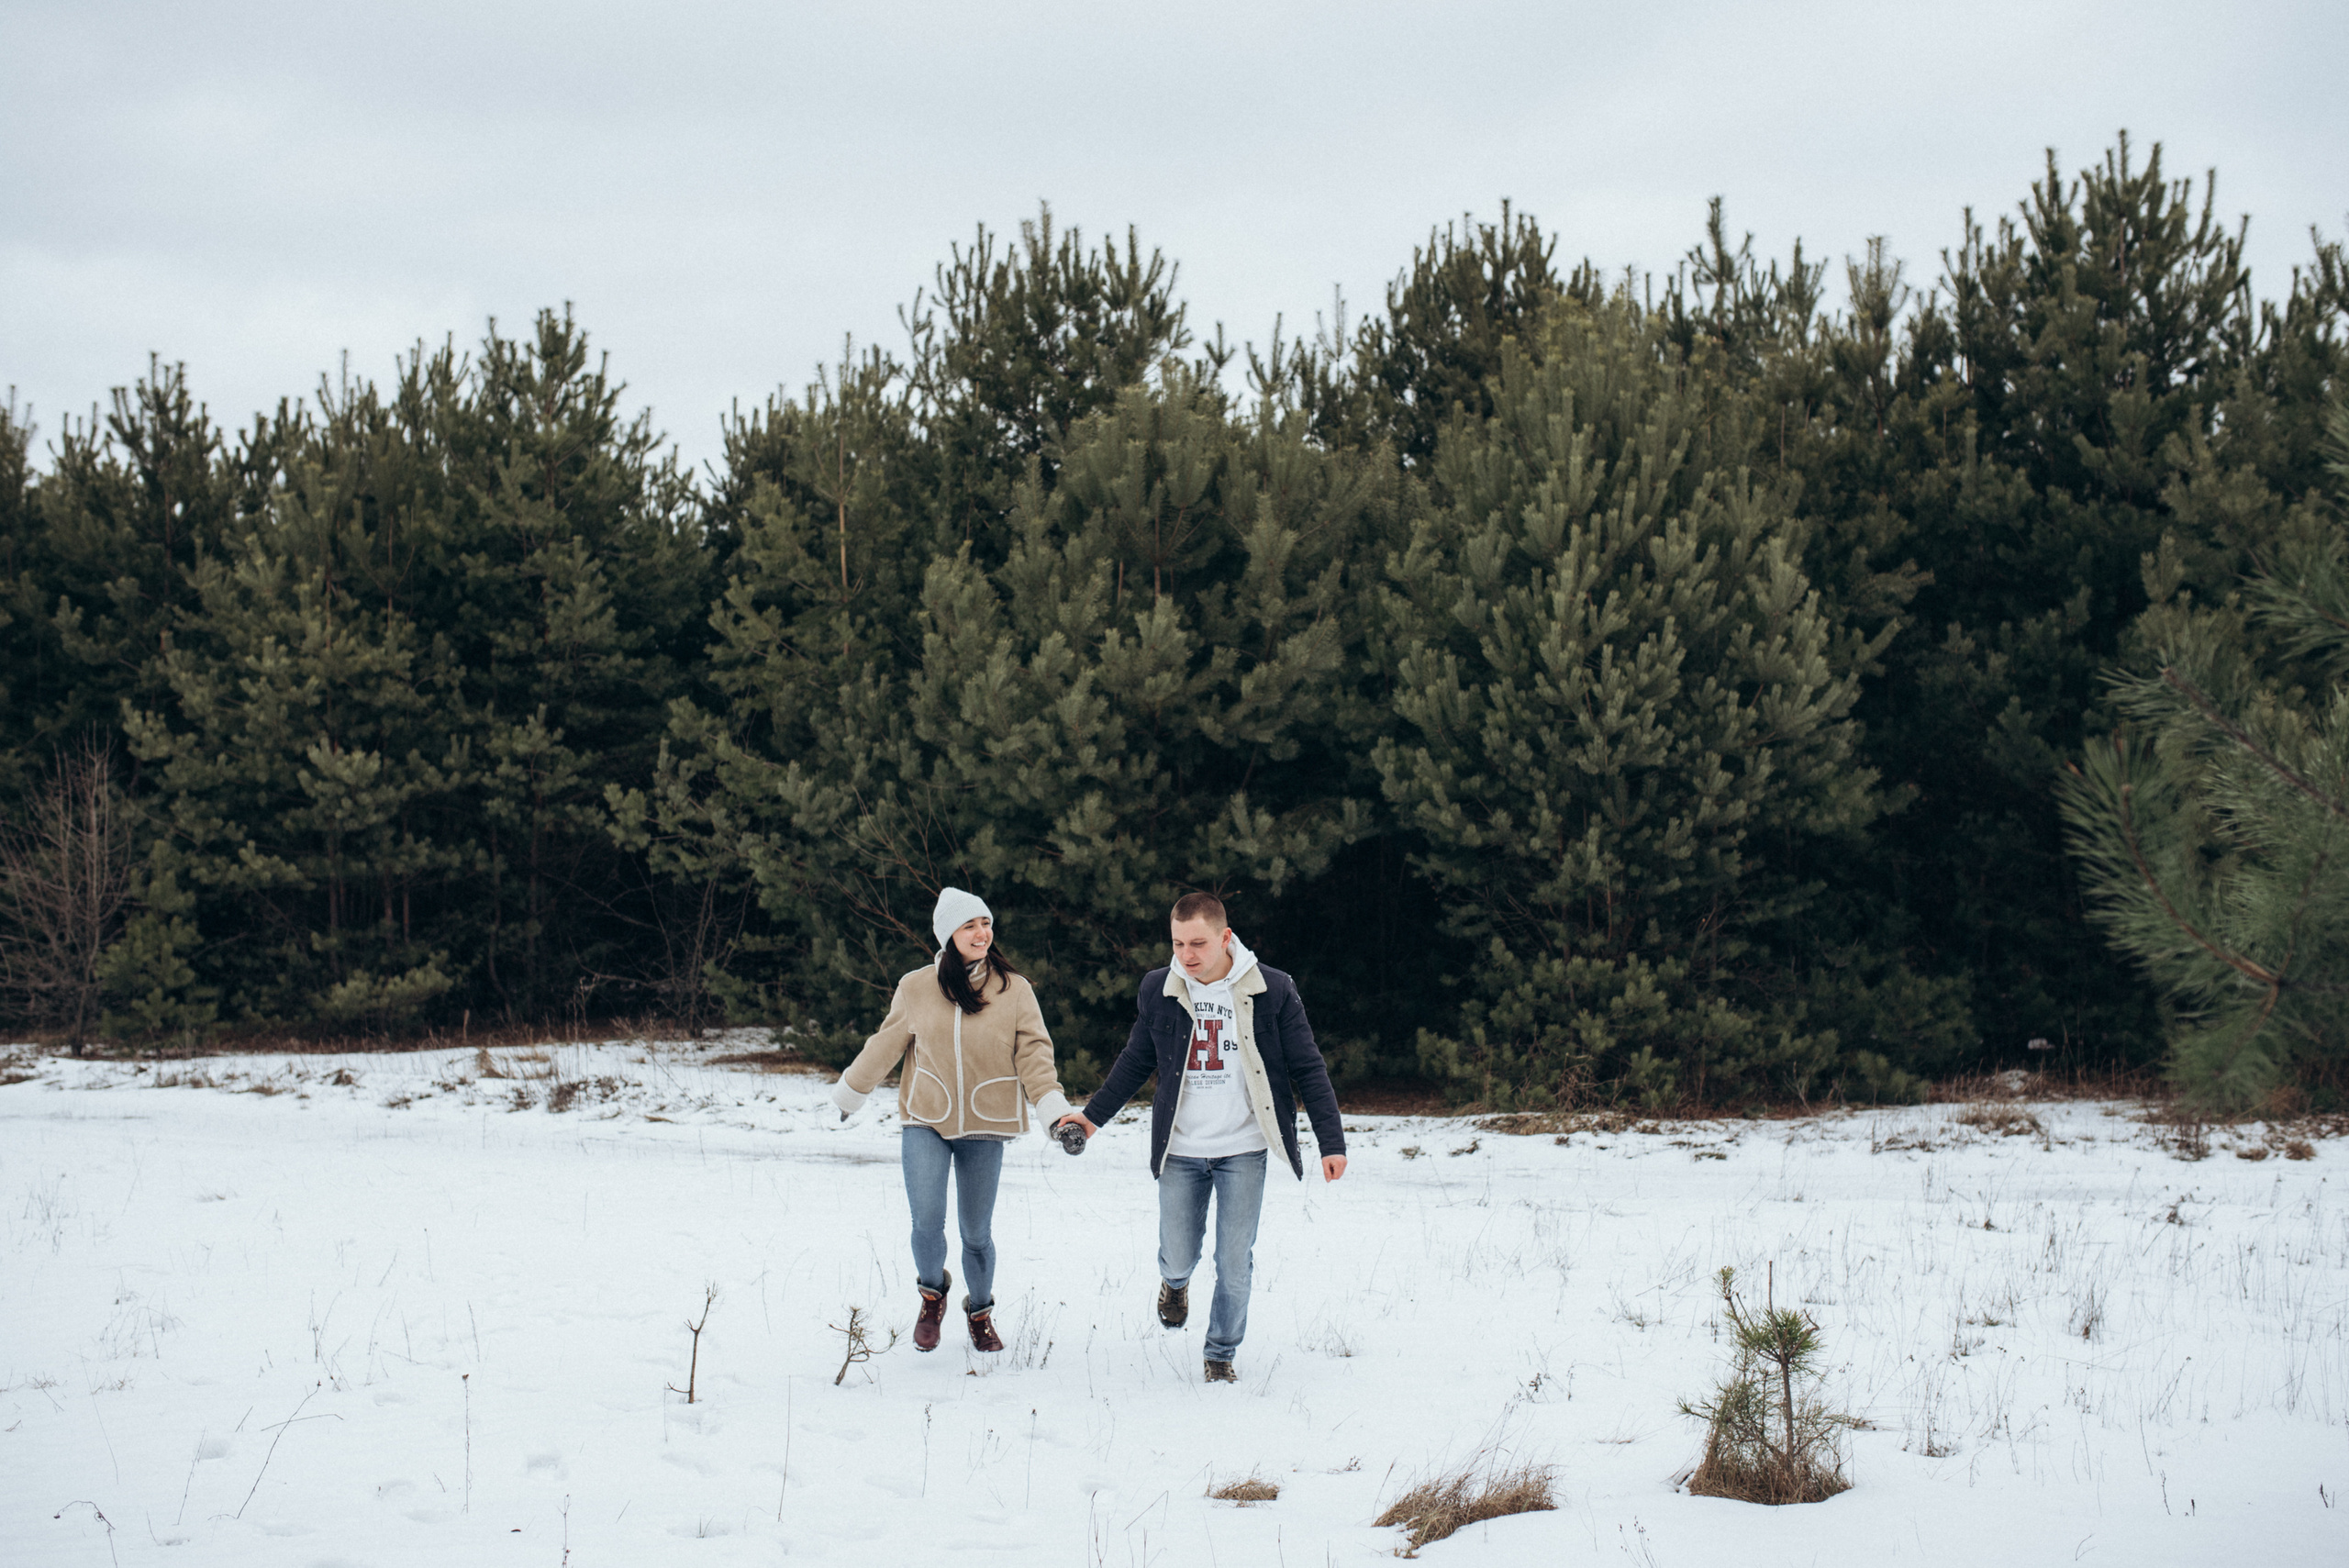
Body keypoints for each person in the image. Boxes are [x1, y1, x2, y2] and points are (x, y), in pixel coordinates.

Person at [1059, 892, 1346, 1382]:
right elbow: (1135, 1061)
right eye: (1177, 943)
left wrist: (1331, 1140)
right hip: (1182, 1149)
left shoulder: (1272, 989)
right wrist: (1091, 1118)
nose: (1187, 955)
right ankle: (1175, 1283)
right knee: (1178, 1250)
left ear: (1225, 937)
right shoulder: (1159, 988)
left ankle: (1220, 1354)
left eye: (1198, 943)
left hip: (1244, 1148)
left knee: (1234, 1259)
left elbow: (1308, 1066)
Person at [833, 887, 1075, 1353]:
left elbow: (1036, 1058)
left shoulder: (1014, 989)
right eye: (971, 925)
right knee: (926, 1222)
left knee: (976, 1234)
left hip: (987, 1125)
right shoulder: (916, 986)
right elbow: (884, 1044)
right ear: (949, 933)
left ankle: (980, 1311)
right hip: (926, 1118)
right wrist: (853, 1091)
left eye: (986, 923)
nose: (982, 933)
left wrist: (1053, 1111)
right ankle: (932, 1295)